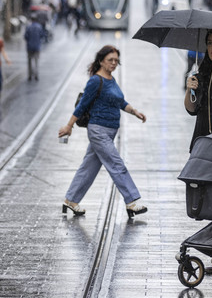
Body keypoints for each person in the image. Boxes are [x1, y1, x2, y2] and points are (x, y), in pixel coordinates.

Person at [58, 45, 148, 218]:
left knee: (89, 167)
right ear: (101, 61)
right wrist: (69, 126)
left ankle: (71, 200)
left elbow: (120, 102)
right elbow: (82, 105)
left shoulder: (111, 80)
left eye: (116, 61)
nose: (114, 63)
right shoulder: (95, 81)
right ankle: (131, 202)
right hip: (98, 130)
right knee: (116, 163)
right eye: (110, 60)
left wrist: (135, 111)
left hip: (110, 131)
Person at [24, 15, 44, 81]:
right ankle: (36, 75)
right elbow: (42, 35)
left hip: (29, 47)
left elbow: (25, 36)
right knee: (36, 61)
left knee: (29, 61)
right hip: (37, 47)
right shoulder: (39, 27)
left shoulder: (28, 27)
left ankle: (30, 75)